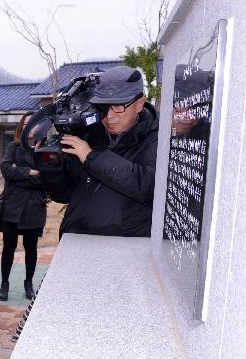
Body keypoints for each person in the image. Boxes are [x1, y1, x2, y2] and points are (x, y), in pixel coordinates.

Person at [39, 65, 158, 237]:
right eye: (103, 107)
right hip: (75, 240)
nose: (109, 116)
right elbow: (63, 195)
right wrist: (51, 167)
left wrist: (91, 156)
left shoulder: (155, 136)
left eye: (119, 106)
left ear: (139, 104)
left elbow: (145, 184)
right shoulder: (88, 133)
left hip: (123, 249)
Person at [0, 113, 48, 301]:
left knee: (31, 248)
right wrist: (31, 172)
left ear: (39, 127)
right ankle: (4, 283)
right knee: (8, 248)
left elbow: (46, 178)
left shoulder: (46, 149)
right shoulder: (13, 146)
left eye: (33, 123)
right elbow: (6, 170)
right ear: (21, 126)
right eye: (26, 123)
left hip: (35, 207)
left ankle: (29, 283)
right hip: (12, 205)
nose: (29, 126)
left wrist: (20, 173)